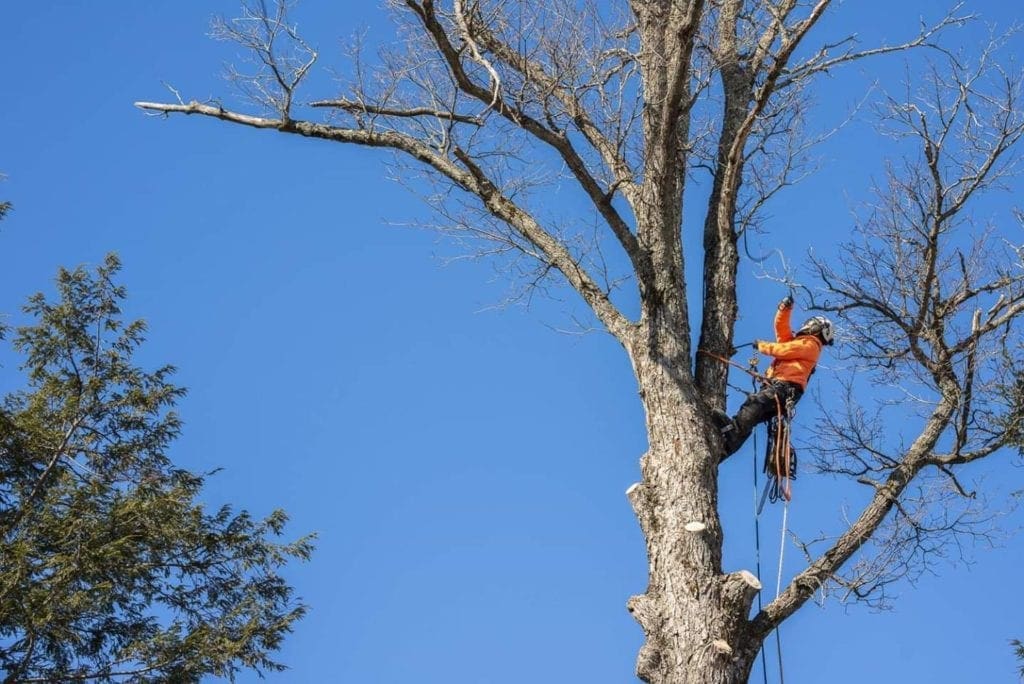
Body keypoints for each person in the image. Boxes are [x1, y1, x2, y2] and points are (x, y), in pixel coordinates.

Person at [714, 295, 833, 456]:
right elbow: (781, 328)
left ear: (818, 329)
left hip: (785, 388)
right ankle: (725, 450)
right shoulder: (799, 341)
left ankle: (732, 432)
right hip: (778, 387)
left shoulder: (811, 345)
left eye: (812, 324)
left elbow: (784, 351)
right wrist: (785, 308)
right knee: (753, 415)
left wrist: (762, 346)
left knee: (754, 403)